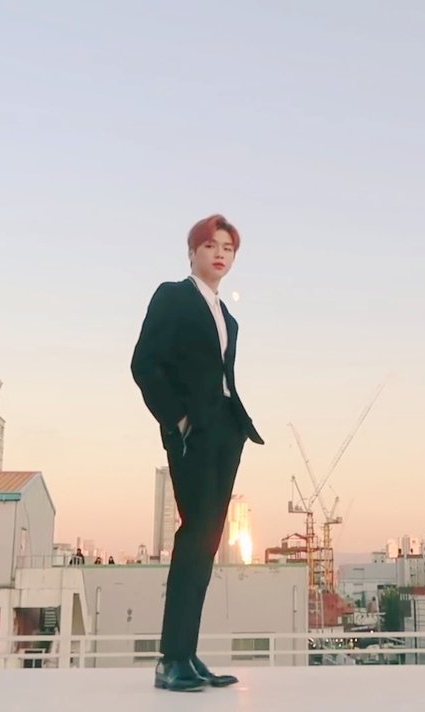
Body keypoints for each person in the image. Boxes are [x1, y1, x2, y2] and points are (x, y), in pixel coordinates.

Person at [131, 213, 264, 692]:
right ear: (192, 252)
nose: (220, 254)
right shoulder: (173, 296)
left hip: (226, 430)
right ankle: (171, 660)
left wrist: (229, 425)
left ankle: (186, 654)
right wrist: (178, 421)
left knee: (207, 542)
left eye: (228, 247)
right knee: (194, 539)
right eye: (211, 245)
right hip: (193, 433)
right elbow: (144, 364)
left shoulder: (228, 316)